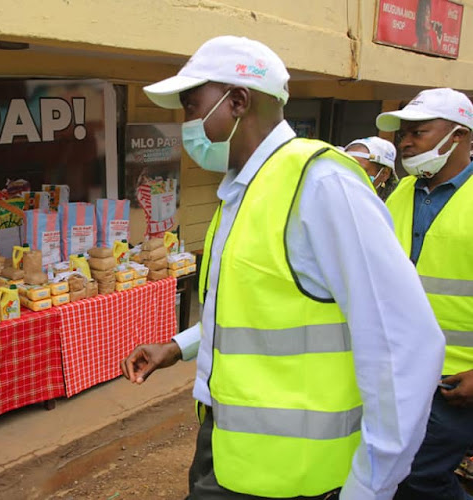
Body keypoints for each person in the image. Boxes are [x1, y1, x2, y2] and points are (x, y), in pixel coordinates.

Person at [120, 36, 445, 500]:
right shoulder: (243, 188)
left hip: (298, 477)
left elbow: (404, 343)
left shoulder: (321, 184)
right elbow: (253, 307)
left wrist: (371, 485)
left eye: (192, 107)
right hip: (229, 449)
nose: (186, 124)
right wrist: (178, 347)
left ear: (237, 101)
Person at [376, 88, 473, 500]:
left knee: (420, 475)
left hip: (454, 381)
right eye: (403, 134)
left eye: (419, 131)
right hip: (396, 371)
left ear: (459, 136)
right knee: (390, 474)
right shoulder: (400, 193)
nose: (405, 142)